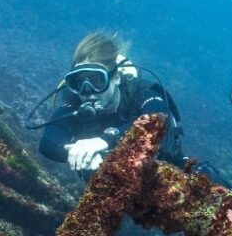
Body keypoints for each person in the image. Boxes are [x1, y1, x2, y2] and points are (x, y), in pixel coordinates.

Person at [36, 32, 183, 172]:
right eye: (78, 82)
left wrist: (107, 140)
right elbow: (48, 141)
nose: (88, 91)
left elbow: (159, 122)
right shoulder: (74, 101)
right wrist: (75, 153)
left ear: (116, 78)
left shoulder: (143, 93)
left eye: (98, 80)